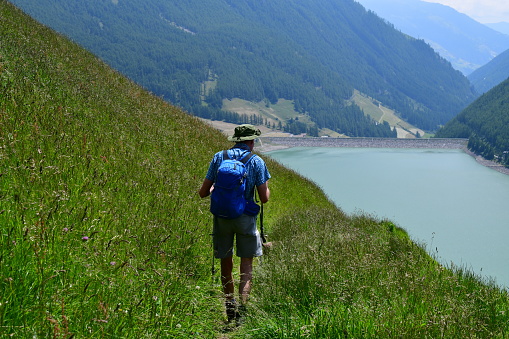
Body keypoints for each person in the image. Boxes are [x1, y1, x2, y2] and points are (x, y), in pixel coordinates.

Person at [198, 124, 271, 324]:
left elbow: (203, 192)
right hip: (245, 218)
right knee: (246, 264)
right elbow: (264, 198)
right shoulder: (256, 161)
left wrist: (216, 188)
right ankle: (244, 310)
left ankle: (229, 309)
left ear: (236, 140)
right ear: (251, 142)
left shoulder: (219, 157)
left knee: (225, 262)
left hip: (221, 218)